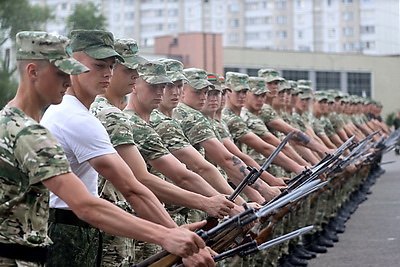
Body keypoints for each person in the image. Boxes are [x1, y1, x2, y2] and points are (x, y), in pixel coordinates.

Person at [0, 31, 208, 267]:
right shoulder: (35, 131)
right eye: (61, 73)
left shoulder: (11, 120)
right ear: (33, 72)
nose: (68, 81)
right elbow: (86, 204)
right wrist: (167, 235)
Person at [90, 39, 232, 265]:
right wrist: (213, 204)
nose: (164, 92)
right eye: (128, 71)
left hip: (135, 217)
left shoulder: (112, 113)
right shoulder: (113, 115)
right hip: (125, 220)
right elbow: (149, 178)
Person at [173, 68, 279, 203]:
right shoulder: (190, 116)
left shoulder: (206, 119)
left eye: (207, 92)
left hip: (208, 195)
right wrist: (261, 192)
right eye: (198, 92)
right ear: (183, 92)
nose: (205, 97)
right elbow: (226, 160)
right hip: (199, 198)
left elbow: (224, 163)